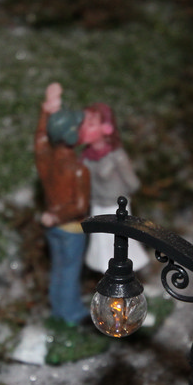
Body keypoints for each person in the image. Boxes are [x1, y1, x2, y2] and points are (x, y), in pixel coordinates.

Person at [34, 83, 91, 325]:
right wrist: (58, 215)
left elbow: (40, 137)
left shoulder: (44, 157)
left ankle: (57, 309)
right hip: (71, 229)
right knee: (69, 272)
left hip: (52, 226)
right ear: (72, 136)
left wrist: (47, 109)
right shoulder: (78, 170)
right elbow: (80, 207)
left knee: (57, 269)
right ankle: (70, 314)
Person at [79, 103, 148, 274]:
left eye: (90, 123)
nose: (84, 128)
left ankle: (127, 278)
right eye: (82, 123)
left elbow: (133, 183)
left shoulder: (116, 156)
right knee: (102, 249)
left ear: (106, 128)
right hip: (97, 206)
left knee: (121, 247)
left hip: (116, 208)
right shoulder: (85, 157)